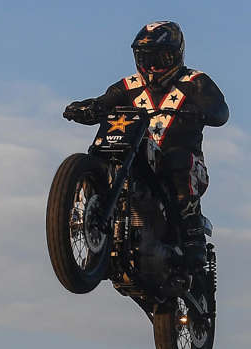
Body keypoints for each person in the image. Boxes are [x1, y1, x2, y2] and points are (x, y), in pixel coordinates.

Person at [63, 21, 230, 275]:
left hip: (185, 165)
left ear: (176, 55)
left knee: (178, 160)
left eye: (160, 58)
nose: (152, 66)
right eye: (146, 58)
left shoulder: (195, 81)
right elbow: (103, 102)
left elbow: (220, 110)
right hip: (137, 156)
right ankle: (96, 219)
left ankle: (192, 235)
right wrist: (87, 108)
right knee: (106, 150)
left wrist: (204, 111)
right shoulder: (128, 85)